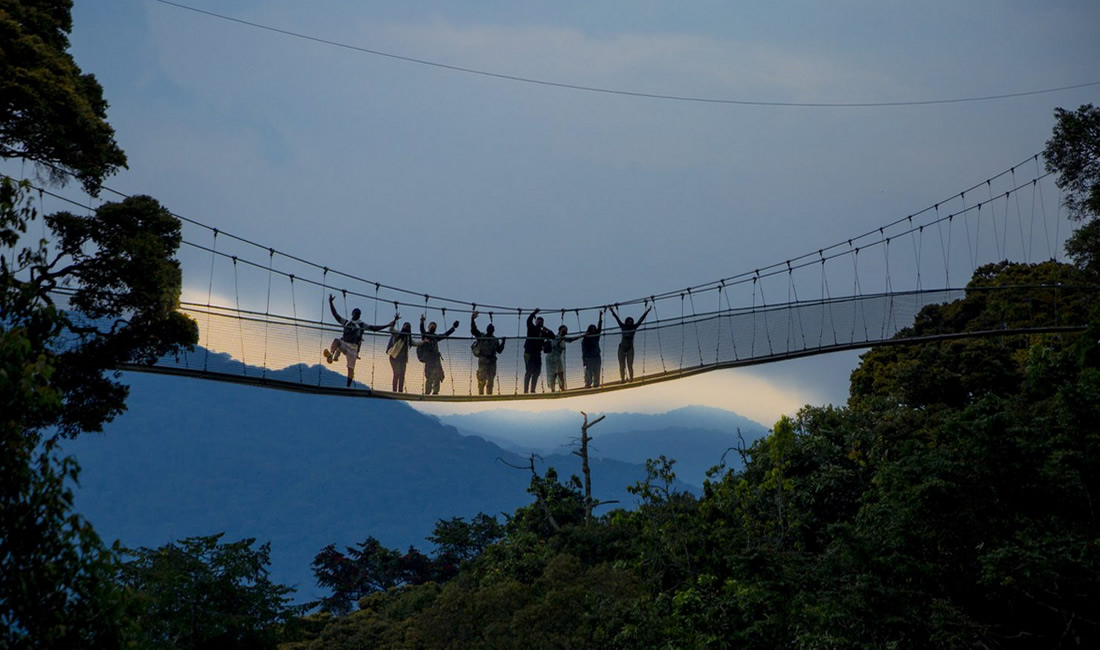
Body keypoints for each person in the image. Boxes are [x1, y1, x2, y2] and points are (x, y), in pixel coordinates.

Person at [323, 295, 397, 387]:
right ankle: (331, 354)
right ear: (353, 314)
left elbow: (374, 328)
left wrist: (387, 325)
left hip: (353, 348)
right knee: (336, 341)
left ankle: (347, 386)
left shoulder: (361, 324)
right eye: (356, 313)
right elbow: (335, 315)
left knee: (350, 369)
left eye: (358, 314)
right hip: (345, 344)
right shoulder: (347, 322)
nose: (357, 315)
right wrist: (330, 303)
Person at [610, 303, 651, 383]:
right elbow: (617, 319)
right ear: (626, 322)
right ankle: (622, 380)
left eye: (631, 322)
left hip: (630, 348)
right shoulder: (623, 326)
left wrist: (647, 312)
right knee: (622, 365)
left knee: (630, 365)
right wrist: (612, 311)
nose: (629, 323)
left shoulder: (634, 327)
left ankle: (631, 379)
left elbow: (641, 320)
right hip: (622, 347)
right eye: (628, 322)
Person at [419, 314, 459, 395]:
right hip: (429, 360)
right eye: (431, 326)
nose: (433, 327)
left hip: (436, 360)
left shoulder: (435, 337)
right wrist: (422, 322)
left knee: (437, 375)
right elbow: (422, 330)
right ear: (428, 327)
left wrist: (453, 328)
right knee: (429, 376)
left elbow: (445, 335)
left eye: (434, 326)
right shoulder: (425, 335)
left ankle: (435, 392)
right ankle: (427, 392)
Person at [470, 311, 506, 395]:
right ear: (487, 330)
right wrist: (472, 320)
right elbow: (474, 330)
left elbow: (499, 351)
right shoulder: (482, 337)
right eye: (489, 329)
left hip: (492, 362)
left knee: (490, 381)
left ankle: (489, 395)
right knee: (481, 380)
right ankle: (481, 395)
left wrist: (503, 342)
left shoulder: (494, 340)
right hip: (483, 360)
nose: (490, 331)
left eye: (491, 330)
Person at [523, 308, 554, 393]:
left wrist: (545, 328)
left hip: (537, 354)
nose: (540, 322)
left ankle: (532, 390)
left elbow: (552, 336)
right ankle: (525, 391)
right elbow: (529, 320)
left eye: (541, 322)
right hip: (529, 353)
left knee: (536, 372)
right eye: (538, 321)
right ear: (536, 322)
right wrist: (534, 313)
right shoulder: (531, 328)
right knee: (529, 372)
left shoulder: (542, 332)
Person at [546, 324, 581, 392]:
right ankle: (553, 388)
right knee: (554, 373)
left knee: (561, 372)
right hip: (552, 358)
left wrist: (581, 336)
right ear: (560, 330)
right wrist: (561, 339)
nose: (566, 331)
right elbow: (555, 345)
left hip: (558, 358)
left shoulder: (563, 338)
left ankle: (562, 387)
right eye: (564, 330)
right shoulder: (556, 337)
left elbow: (571, 339)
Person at [385, 320, 417, 393]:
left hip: (402, 358)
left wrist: (423, 342)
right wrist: (394, 321)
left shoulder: (408, 338)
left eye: (408, 327)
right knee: (397, 373)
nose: (407, 328)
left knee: (402, 375)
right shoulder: (398, 334)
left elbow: (415, 343)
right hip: (394, 357)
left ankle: (400, 391)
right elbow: (391, 329)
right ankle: (394, 390)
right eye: (406, 326)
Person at [581, 309, 604, 388]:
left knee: (597, 372)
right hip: (589, 358)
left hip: (597, 356)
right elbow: (583, 350)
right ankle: (588, 385)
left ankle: (596, 385)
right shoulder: (585, 339)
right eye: (592, 329)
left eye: (594, 329)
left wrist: (600, 317)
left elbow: (599, 328)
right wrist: (584, 359)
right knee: (589, 373)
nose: (594, 330)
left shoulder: (596, 337)